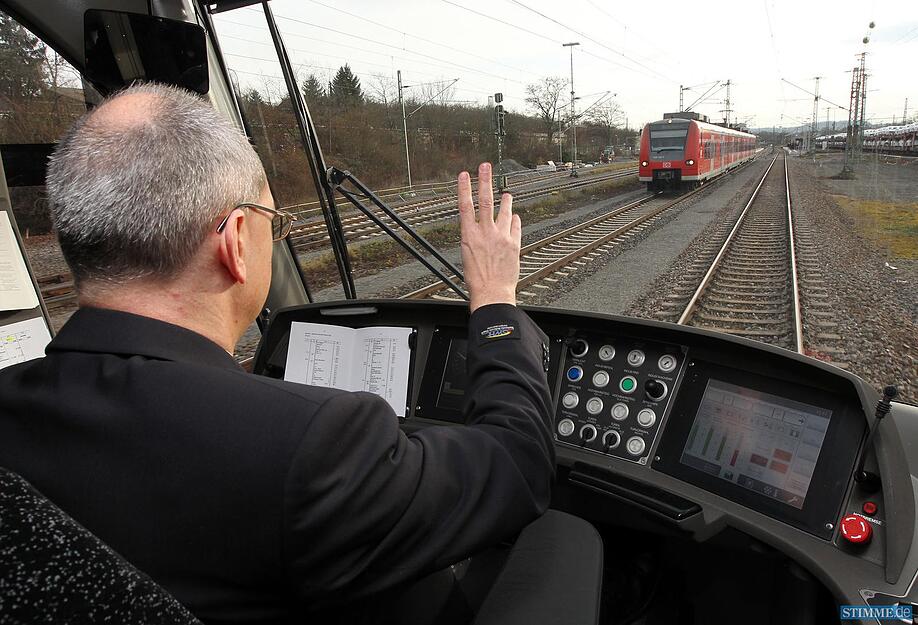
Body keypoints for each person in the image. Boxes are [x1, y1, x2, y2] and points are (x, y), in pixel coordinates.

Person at [0, 83, 554, 623]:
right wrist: (496, 300)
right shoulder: (307, 449)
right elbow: (520, 465)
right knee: (564, 544)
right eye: (276, 224)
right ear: (236, 242)